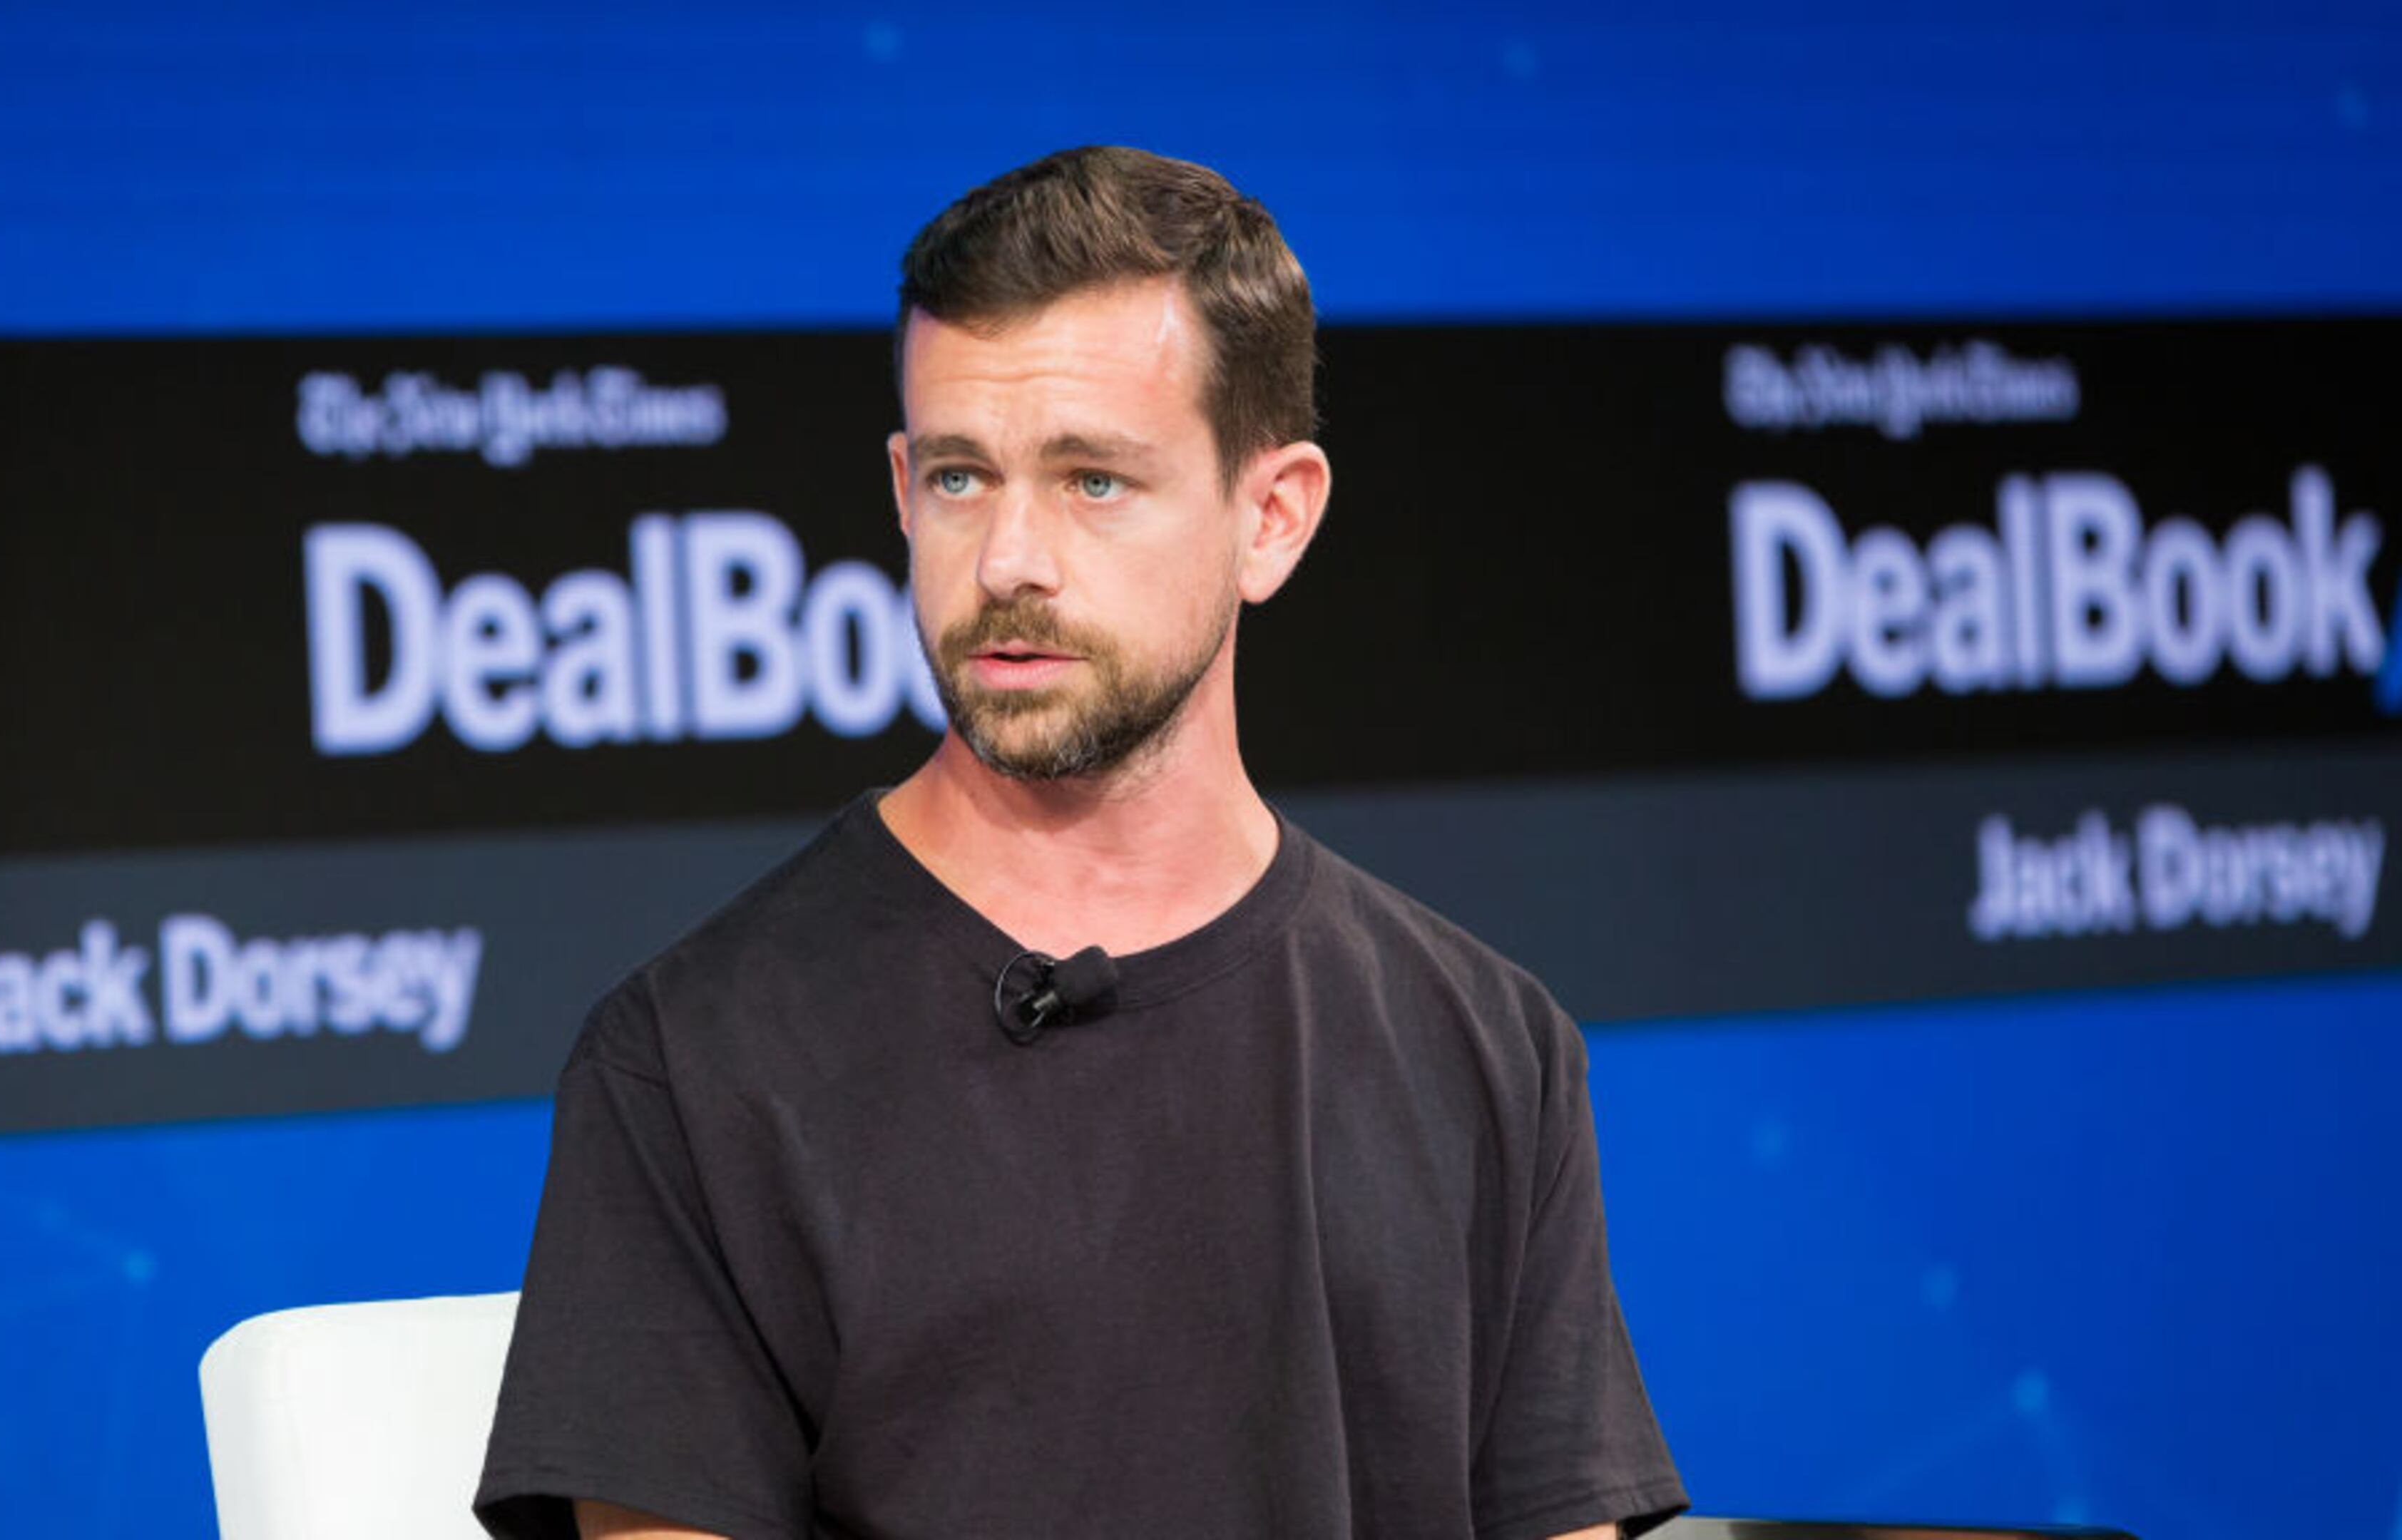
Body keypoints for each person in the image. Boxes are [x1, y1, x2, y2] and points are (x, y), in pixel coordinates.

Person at [475, 145, 1687, 1540]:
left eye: (1094, 481)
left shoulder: (1490, 1048)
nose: (1008, 561)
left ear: (1271, 516)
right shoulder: (693, 1065)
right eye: (960, 477)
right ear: (899, 485)